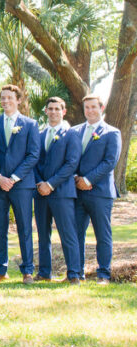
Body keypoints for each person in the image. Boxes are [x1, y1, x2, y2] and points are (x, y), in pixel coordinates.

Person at [0, 85, 40, 284]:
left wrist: (14, 177)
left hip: (22, 185)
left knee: (25, 227)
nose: (5, 101)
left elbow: (33, 154)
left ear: (18, 100)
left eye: (9, 97)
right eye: (2, 98)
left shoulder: (30, 124)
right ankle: (0, 271)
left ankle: (27, 271)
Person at [74, 94, 121, 284]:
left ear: (101, 108)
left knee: (102, 234)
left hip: (100, 192)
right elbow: (69, 158)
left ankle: (103, 274)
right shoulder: (75, 131)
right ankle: (76, 273)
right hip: (76, 191)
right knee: (76, 234)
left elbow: (110, 161)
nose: (90, 111)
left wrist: (88, 179)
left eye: (94, 107)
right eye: (87, 108)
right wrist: (75, 178)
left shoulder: (112, 133)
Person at [34, 97, 82, 283]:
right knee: (43, 235)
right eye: (50, 109)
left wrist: (51, 184)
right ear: (45, 111)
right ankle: (44, 272)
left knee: (67, 234)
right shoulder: (39, 134)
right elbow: (35, 161)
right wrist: (40, 183)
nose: (53, 112)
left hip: (62, 192)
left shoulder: (71, 134)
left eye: (57, 109)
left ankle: (73, 274)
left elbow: (71, 164)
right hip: (40, 193)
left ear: (63, 112)